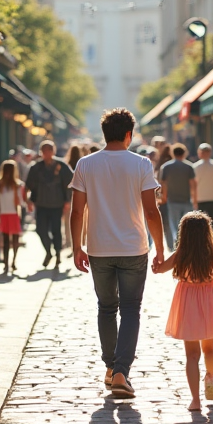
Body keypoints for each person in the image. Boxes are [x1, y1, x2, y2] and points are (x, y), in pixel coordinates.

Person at [70, 109, 166, 399]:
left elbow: (77, 211)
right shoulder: (141, 164)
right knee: (131, 310)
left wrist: (77, 246)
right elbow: (151, 210)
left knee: (106, 308)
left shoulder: (85, 164)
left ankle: (111, 368)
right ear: (129, 134)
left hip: (98, 248)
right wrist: (161, 248)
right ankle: (122, 370)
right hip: (133, 247)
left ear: (104, 134)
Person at [153, 211, 213, 412]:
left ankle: (195, 400)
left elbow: (160, 269)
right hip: (210, 300)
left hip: (187, 301)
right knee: (210, 348)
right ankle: (210, 377)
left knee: (191, 355)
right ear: (208, 233)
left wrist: (157, 260)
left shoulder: (181, 254)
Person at [26, 140, 73, 268]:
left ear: (53, 151)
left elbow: (70, 183)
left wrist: (67, 200)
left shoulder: (61, 166)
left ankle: (57, 254)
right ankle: (48, 251)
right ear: (41, 152)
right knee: (40, 230)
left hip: (57, 204)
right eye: (44, 151)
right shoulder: (36, 167)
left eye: (49, 151)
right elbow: (29, 185)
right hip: (41, 204)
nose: (47, 154)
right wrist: (29, 201)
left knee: (56, 230)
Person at [160, 144, 198, 241]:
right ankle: (186, 243)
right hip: (186, 200)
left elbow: (163, 184)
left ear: (173, 153)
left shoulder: (166, 167)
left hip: (172, 200)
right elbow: (193, 185)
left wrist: (164, 197)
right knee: (187, 225)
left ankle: (178, 244)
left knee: (175, 225)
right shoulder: (189, 166)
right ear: (184, 153)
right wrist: (195, 200)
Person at [0, 160, 26, 273]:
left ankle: (6, 264)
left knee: (6, 240)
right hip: (14, 213)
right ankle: (13, 261)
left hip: (2, 213)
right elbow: (20, 202)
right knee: (15, 239)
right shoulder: (18, 185)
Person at [192, 144, 213, 231]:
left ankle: (202, 234)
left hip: (200, 196)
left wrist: (193, 197)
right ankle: (211, 235)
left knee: (200, 218)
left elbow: (194, 184)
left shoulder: (195, 167)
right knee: (212, 218)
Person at [61, 145, 84, 249]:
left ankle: (69, 241)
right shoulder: (82, 164)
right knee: (82, 221)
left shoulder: (66, 166)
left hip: (69, 197)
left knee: (68, 221)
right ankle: (81, 241)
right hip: (82, 197)